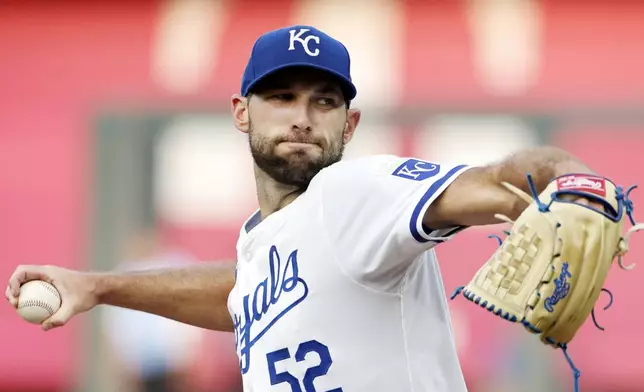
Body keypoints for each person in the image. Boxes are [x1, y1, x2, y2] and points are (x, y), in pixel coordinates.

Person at [6, 25, 599, 392]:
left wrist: (568, 179)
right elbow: (240, 292)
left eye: (323, 100)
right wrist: (98, 286)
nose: (302, 116)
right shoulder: (263, 241)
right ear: (242, 111)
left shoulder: (359, 194)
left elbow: (499, 183)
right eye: (281, 96)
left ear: (350, 122)